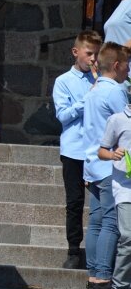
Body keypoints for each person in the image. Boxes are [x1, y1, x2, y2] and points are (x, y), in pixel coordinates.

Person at [82, 42, 128, 289]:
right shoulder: (115, 92)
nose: (128, 70)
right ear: (118, 65)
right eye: (127, 65)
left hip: (92, 163)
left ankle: (93, 276)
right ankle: (102, 277)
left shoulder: (93, 90)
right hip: (111, 164)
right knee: (110, 222)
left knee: (96, 222)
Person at [53, 31, 101, 269]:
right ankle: (74, 250)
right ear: (76, 52)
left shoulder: (102, 79)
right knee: (74, 202)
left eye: (96, 54)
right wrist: (88, 99)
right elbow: (63, 115)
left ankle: (100, 251)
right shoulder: (63, 82)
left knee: (101, 203)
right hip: (74, 149)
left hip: (98, 149)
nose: (93, 59)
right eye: (89, 53)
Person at [98, 102, 131, 289]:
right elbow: (102, 150)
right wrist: (113, 155)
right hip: (126, 189)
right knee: (128, 237)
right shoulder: (118, 119)